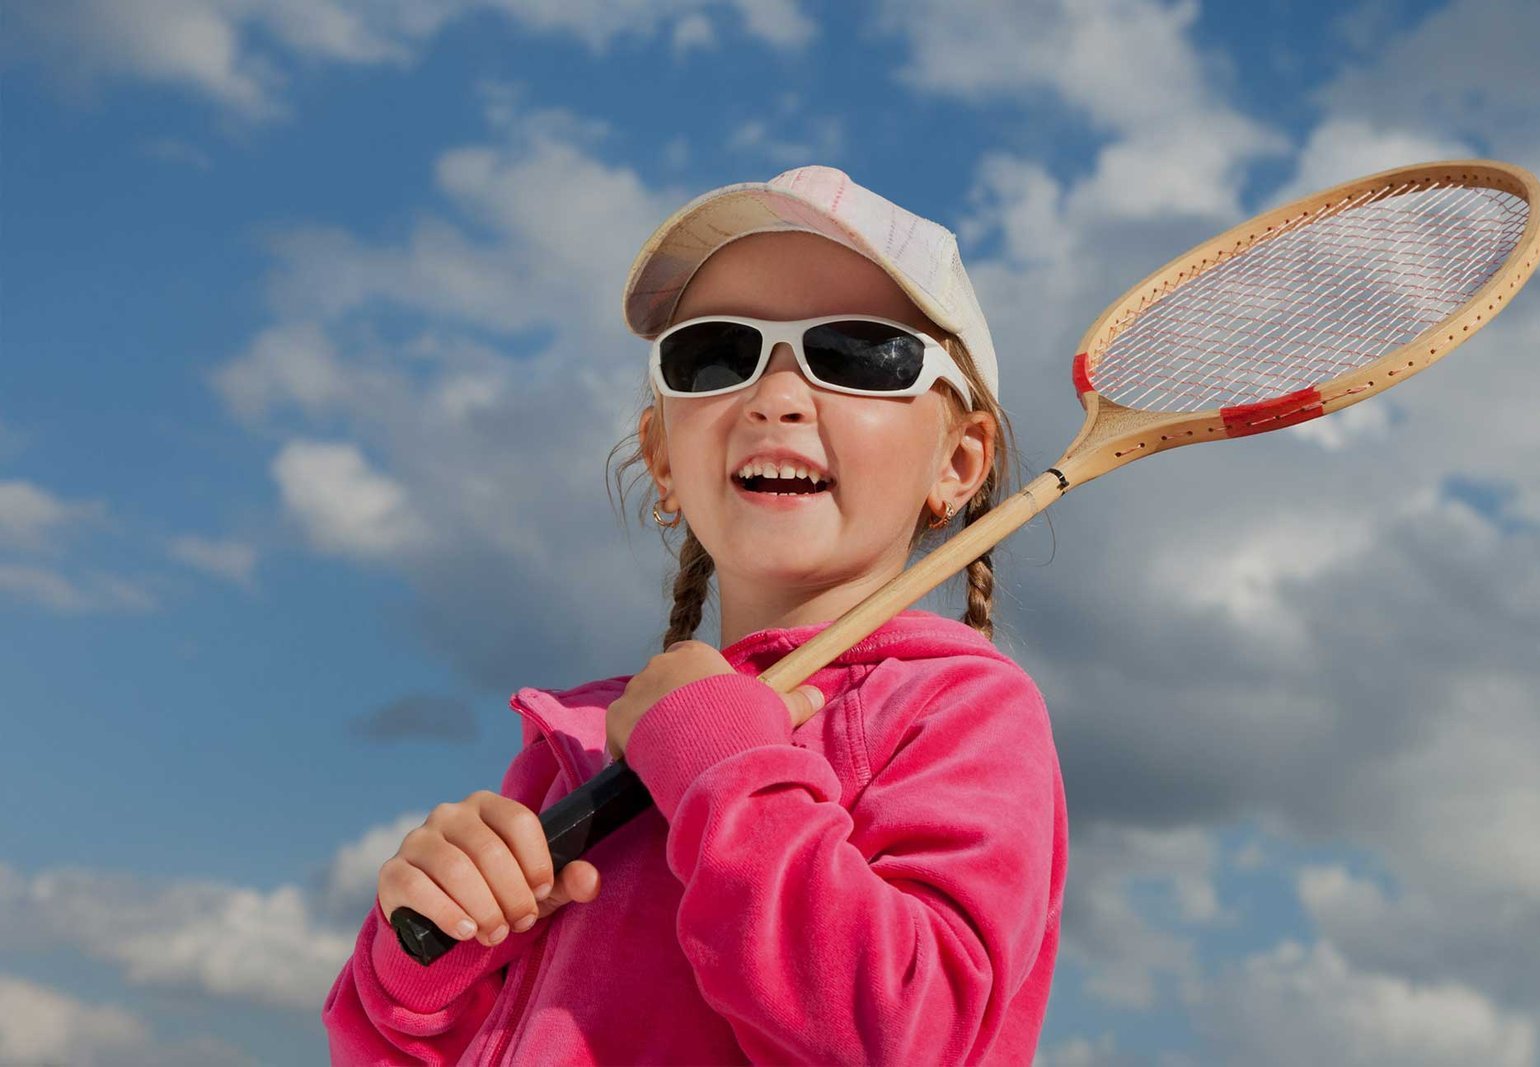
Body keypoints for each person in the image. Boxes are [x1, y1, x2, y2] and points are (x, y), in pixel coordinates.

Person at [323, 165, 1068, 1064]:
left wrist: (717, 760)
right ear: (664, 458)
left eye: (857, 353)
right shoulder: (582, 742)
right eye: (715, 355)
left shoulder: (962, 712)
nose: (775, 396)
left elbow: (905, 1033)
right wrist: (416, 968)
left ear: (959, 463)